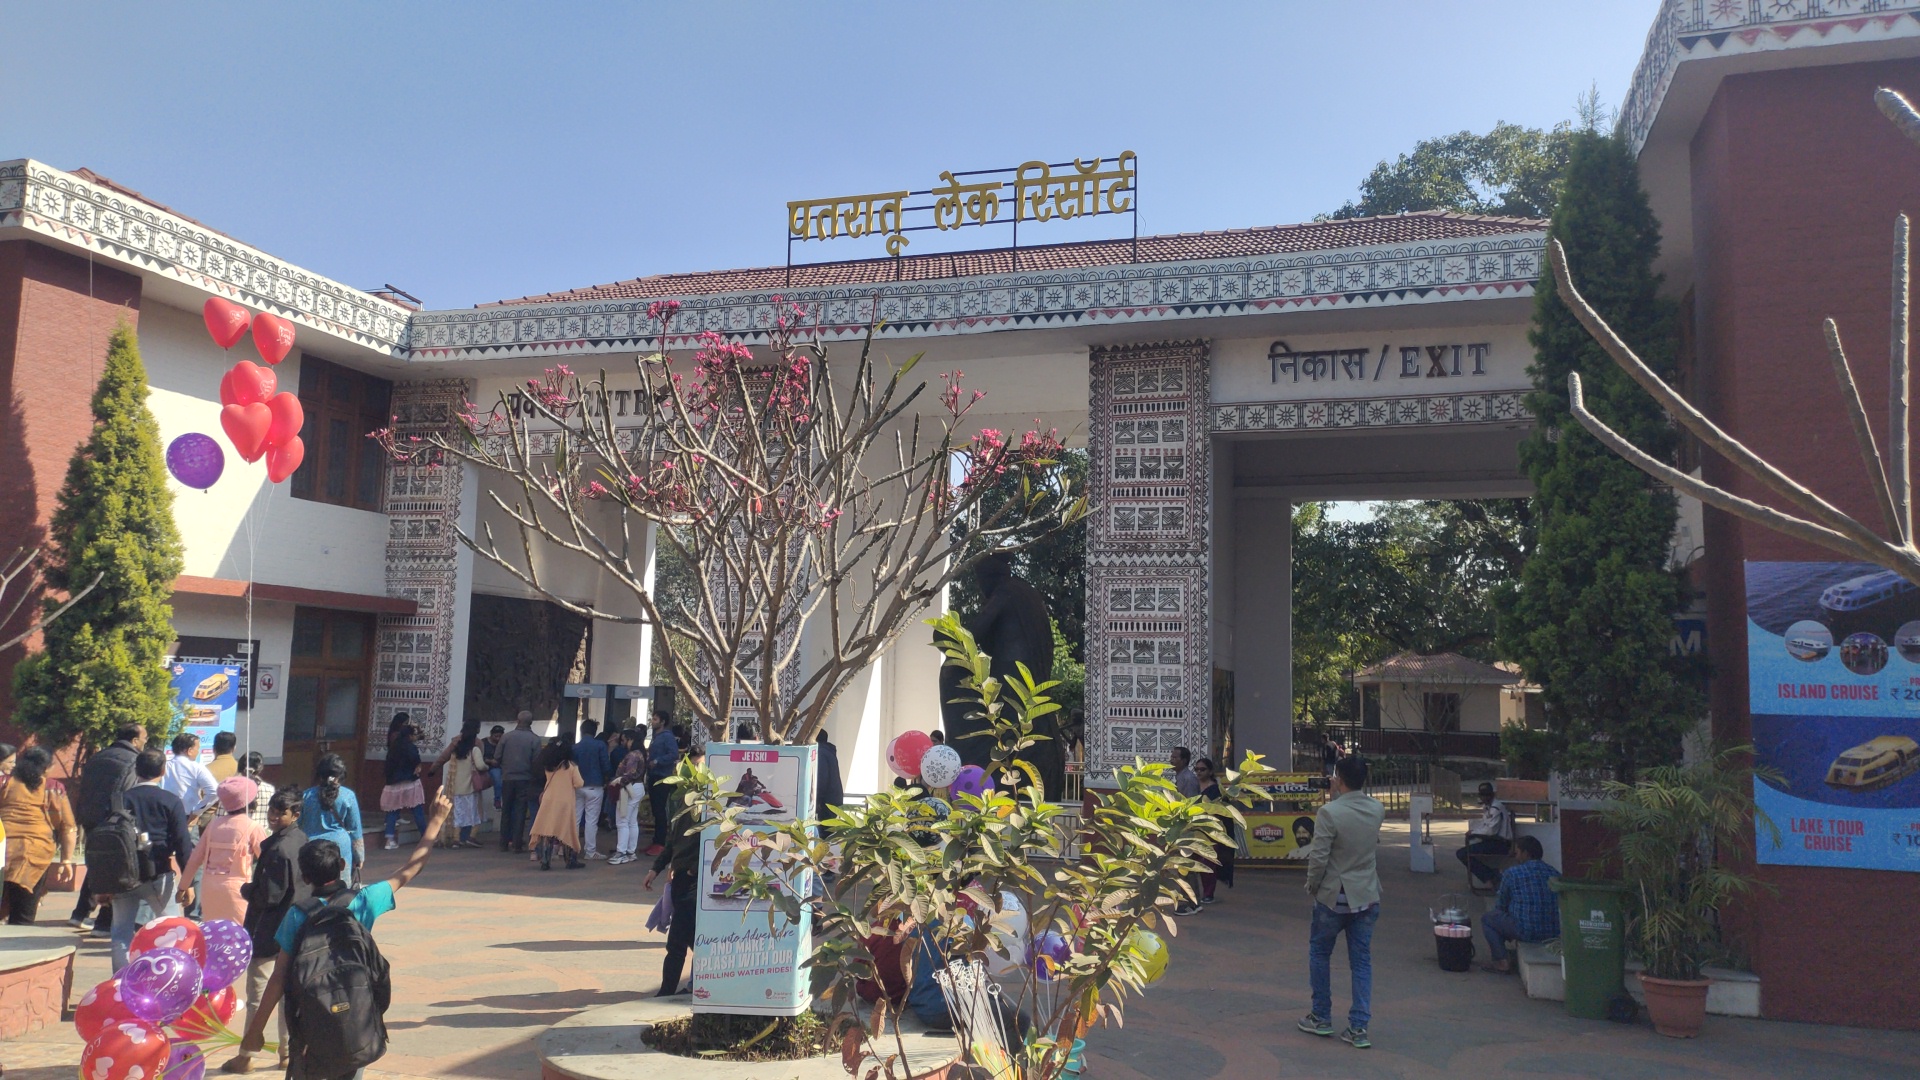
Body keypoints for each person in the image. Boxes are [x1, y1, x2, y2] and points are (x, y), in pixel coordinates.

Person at [235, 791, 454, 1078]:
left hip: (310, 1025)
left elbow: (278, 978)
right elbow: (412, 868)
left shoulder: (298, 915)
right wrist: (436, 821)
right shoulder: (364, 901)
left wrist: (255, 1032)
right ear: (341, 866)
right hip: (356, 1017)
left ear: (305, 876)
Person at [1299, 755, 1384, 1051]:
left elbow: (1319, 856)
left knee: (1319, 954)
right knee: (1361, 961)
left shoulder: (1330, 812)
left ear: (1338, 779)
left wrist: (1312, 885)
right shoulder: (1377, 808)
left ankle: (1321, 1016)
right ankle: (1358, 1027)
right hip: (1367, 894)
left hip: (1334, 895)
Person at [228, 789, 308, 1076]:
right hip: (296, 927)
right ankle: (286, 1054)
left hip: (268, 928)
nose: (274, 817)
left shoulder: (278, 849)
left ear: (295, 815)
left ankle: (246, 1055)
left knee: (257, 995)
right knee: (288, 995)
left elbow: (270, 896)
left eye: (280, 813)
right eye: (272, 811)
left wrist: (248, 890)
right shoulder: (301, 841)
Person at [111, 749, 195, 970]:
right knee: (172, 930)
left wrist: (100, 885)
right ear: (163, 771)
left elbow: (106, 843)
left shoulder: (120, 801)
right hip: (158, 874)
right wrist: (187, 883)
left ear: (136, 770)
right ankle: (171, 978)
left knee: (121, 932)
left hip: (123, 876)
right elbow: (183, 844)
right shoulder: (170, 800)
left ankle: (120, 985)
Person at [72, 724, 147, 933]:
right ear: (134, 740)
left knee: (97, 864)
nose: (144, 743)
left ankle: (80, 913)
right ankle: (104, 923)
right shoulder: (133, 761)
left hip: (89, 818)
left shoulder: (98, 757)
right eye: (144, 739)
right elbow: (129, 793)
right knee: (118, 869)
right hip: (115, 821)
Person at [1, 747, 77, 924]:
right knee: (23, 917)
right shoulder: (54, 788)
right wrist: (66, 860)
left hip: (3, 852)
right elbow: (68, 827)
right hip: (35, 856)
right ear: (46, 768)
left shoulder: (3, 783)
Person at [178, 776, 266, 924]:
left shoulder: (213, 825)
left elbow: (195, 859)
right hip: (239, 890)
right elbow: (267, 859)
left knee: (214, 933)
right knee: (239, 935)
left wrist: (183, 887)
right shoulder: (253, 827)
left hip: (210, 889)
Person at [642, 773, 697, 996]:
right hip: (682, 881)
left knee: (679, 942)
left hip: (692, 882)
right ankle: (674, 990)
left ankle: (668, 992)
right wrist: (655, 869)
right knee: (682, 941)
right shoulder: (682, 812)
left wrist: (693, 869)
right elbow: (671, 844)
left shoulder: (708, 813)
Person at [1482, 835, 1560, 974]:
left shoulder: (1512, 873)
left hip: (1526, 930)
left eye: (1517, 852)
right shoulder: (1554, 873)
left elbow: (1501, 905)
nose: (1516, 857)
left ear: (1526, 853)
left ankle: (1501, 961)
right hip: (1553, 931)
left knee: (1488, 919)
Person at [298, 755, 365, 887]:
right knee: (340, 889)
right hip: (341, 849)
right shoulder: (348, 796)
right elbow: (355, 829)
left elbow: (298, 824)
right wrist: (359, 856)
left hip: (312, 849)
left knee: (310, 888)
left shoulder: (306, 795)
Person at [530, 740, 584, 870]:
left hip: (548, 800)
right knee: (567, 831)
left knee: (547, 831)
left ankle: (545, 861)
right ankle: (570, 860)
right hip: (565, 801)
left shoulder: (548, 766)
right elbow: (579, 783)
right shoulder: (571, 766)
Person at [379, 715, 427, 851]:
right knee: (417, 809)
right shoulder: (410, 747)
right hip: (410, 782)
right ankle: (425, 836)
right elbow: (416, 762)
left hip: (393, 784)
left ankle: (389, 840)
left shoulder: (394, 746)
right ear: (410, 736)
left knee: (392, 811)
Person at [497, 711, 543, 853]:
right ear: (531, 722)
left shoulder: (506, 737)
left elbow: (497, 756)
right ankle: (517, 843)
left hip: (508, 778)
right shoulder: (534, 740)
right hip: (525, 779)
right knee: (520, 811)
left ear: (517, 720)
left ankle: (503, 843)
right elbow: (537, 761)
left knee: (506, 810)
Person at [437, 720, 487, 848]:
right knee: (475, 813)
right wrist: (487, 766)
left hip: (456, 787)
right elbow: (480, 766)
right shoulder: (474, 749)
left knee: (458, 814)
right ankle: (471, 837)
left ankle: (456, 839)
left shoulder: (456, 749)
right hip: (470, 787)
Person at [1457, 781, 1515, 887]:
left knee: (1463, 854)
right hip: (1492, 841)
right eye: (1482, 795)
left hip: (1500, 843)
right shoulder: (1489, 807)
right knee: (1466, 851)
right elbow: (1485, 825)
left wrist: (1474, 833)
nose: (1484, 798)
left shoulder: (1496, 808)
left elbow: (1491, 831)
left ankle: (1491, 876)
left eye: (1486, 795)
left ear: (1491, 795)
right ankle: (1490, 875)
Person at [1194, 757, 1234, 906]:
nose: (1199, 772)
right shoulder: (1193, 786)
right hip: (1193, 829)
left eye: (1202, 769)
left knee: (1208, 863)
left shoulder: (1217, 790)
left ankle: (1208, 893)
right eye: (1196, 769)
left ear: (1210, 771)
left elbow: (1225, 812)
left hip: (1211, 831)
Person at [571, 720, 612, 860]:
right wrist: (608, 778)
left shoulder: (575, 747)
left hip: (578, 786)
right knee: (591, 820)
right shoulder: (600, 745)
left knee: (575, 819)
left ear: (581, 731)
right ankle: (590, 851)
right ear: (595, 732)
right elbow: (606, 765)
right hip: (595, 786)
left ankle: (572, 849)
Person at [644, 709, 680, 857]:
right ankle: (656, 841)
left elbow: (673, 754)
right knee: (655, 809)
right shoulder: (655, 737)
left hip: (662, 776)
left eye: (655, 719)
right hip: (653, 775)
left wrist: (658, 761)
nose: (652, 722)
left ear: (662, 722)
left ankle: (660, 843)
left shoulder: (667, 737)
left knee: (659, 809)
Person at [607, 734, 646, 865]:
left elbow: (629, 774)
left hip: (629, 788)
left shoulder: (633, 755)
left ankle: (621, 852)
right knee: (631, 821)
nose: (624, 743)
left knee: (622, 821)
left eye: (625, 740)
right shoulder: (640, 753)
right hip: (637, 787)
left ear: (632, 740)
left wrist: (617, 781)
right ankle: (630, 851)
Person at [165, 733, 222, 822]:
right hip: (188, 816)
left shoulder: (164, 766)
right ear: (190, 750)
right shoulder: (197, 767)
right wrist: (197, 811)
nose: (198, 752)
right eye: (197, 748)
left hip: (164, 816)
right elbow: (214, 791)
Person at [815, 729, 845, 821]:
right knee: (828, 831)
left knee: (823, 831)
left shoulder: (820, 753)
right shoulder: (829, 752)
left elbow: (821, 779)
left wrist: (818, 800)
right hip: (834, 798)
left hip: (825, 801)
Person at [246, 753, 277, 835]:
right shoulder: (270, 789)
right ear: (261, 768)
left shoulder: (238, 788)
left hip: (243, 832)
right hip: (264, 833)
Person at [482, 725, 507, 813]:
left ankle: (501, 800)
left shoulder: (503, 743)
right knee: (497, 779)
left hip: (500, 766)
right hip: (488, 766)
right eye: (496, 736)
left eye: (500, 736)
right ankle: (497, 800)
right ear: (491, 735)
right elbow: (479, 756)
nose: (498, 738)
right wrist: (489, 761)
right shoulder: (484, 742)